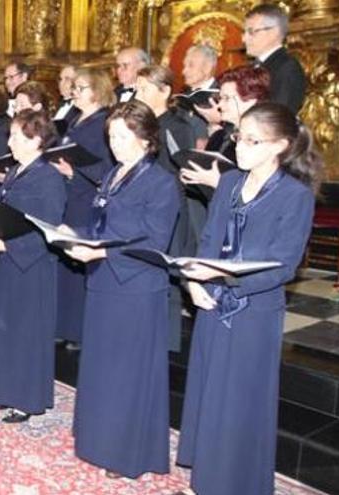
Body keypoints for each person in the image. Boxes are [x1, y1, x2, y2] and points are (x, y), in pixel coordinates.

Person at [176, 102, 320, 495]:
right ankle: (205, 478)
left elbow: (283, 267)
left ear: (280, 146)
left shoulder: (295, 196)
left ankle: (233, 483)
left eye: (252, 140)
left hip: (253, 311)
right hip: (211, 304)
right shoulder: (228, 183)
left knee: (239, 400)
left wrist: (222, 276)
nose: (239, 146)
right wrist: (193, 282)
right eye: (239, 136)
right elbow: (207, 241)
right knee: (210, 393)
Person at [68, 100, 180, 478]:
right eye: (110, 136)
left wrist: (99, 248)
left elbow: (154, 238)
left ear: (146, 138)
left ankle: (125, 451)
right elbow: (100, 223)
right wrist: (74, 237)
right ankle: (97, 440)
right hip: (103, 281)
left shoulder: (161, 182)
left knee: (127, 373)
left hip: (135, 287)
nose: (113, 144)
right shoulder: (113, 174)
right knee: (102, 369)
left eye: (120, 136)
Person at [0, 110, 66, 422]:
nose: (10, 141)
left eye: (16, 136)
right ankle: (3, 391)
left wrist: (8, 245)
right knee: (5, 329)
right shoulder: (18, 170)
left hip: (32, 266)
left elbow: (47, 228)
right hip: (8, 263)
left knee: (26, 332)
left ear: (37, 140)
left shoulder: (50, 177)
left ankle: (26, 398)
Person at [135, 65, 201, 352]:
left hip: (170, 207)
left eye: (144, 89)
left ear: (165, 91)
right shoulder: (141, 123)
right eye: (136, 89)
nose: (137, 94)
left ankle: (166, 342)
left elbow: (179, 169)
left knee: (169, 270)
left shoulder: (177, 125)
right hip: (143, 206)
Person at [52, 68, 116, 349]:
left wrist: (72, 171)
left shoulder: (103, 123)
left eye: (80, 86)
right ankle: (63, 326)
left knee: (80, 266)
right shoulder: (76, 120)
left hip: (86, 198)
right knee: (66, 265)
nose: (74, 91)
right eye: (74, 86)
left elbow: (107, 168)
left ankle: (78, 331)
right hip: (68, 197)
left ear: (97, 90)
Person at [180, 66, 271, 202]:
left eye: (227, 98)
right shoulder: (219, 136)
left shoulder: (266, 144)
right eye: (220, 98)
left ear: (251, 101)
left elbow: (264, 198)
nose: (219, 105)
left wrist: (219, 184)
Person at [243, 3, 306, 114]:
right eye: (244, 32)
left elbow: (278, 117)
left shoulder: (287, 68)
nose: (244, 39)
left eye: (251, 32)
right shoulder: (254, 66)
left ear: (274, 32)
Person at [180, 44, 219, 147]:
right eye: (184, 66)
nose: (183, 71)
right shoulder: (182, 96)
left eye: (191, 66)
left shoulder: (221, 96)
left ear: (207, 68)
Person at [53, 65, 81, 135]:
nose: (61, 83)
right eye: (60, 79)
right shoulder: (57, 105)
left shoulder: (82, 107)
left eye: (67, 79)